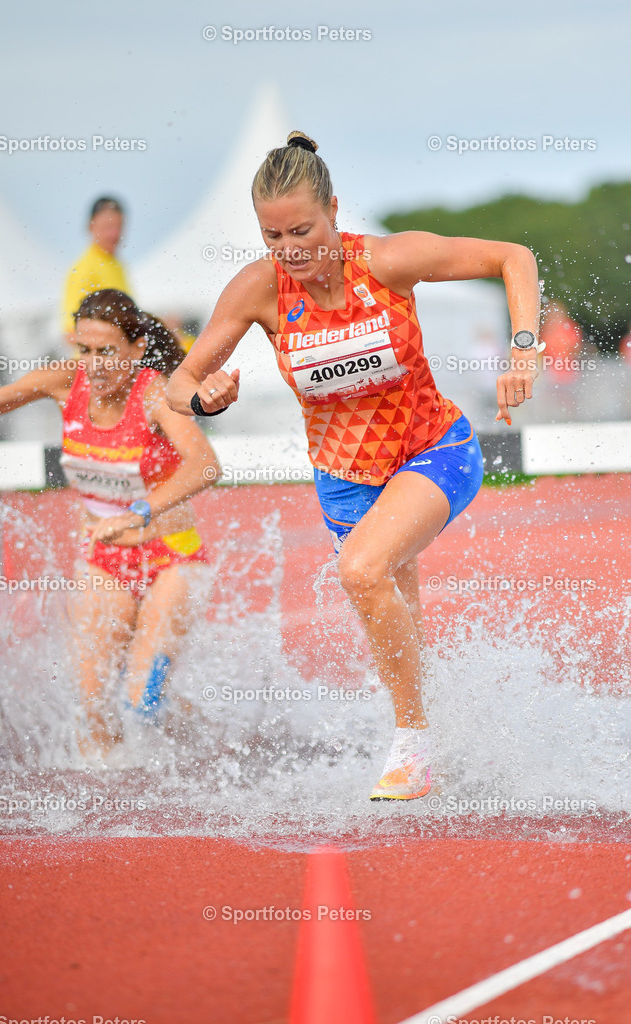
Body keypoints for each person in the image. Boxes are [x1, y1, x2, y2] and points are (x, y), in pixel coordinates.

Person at [165, 131, 542, 802]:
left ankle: (411, 743)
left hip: (433, 450)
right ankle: (445, 742)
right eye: (273, 236)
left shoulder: (390, 262)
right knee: (396, 616)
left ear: (334, 210)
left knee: (360, 571)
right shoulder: (260, 289)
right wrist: (203, 396)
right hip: (343, 480)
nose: (291, 251)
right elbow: (180, 381)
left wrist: (521, 351)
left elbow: (513, 257)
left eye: (303, 231)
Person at [0, 289, 220, 753]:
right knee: (92, 705)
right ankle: (111, 799)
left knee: (142, 699)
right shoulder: (63, 382)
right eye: (85, 351)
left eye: (107, 352)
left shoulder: (154, 392)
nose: (94, 366)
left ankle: (210, 751)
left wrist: (137, 513)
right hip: (104, 560)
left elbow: (205, 466)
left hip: (172, 556)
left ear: (135, 350)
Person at [61, 197, 131, 340]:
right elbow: (71, 334)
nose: (114, 234)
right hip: (95, 361)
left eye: (118, 226)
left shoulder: (118, 265)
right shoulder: (83, 269)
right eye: (107, 227)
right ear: (90, 227)